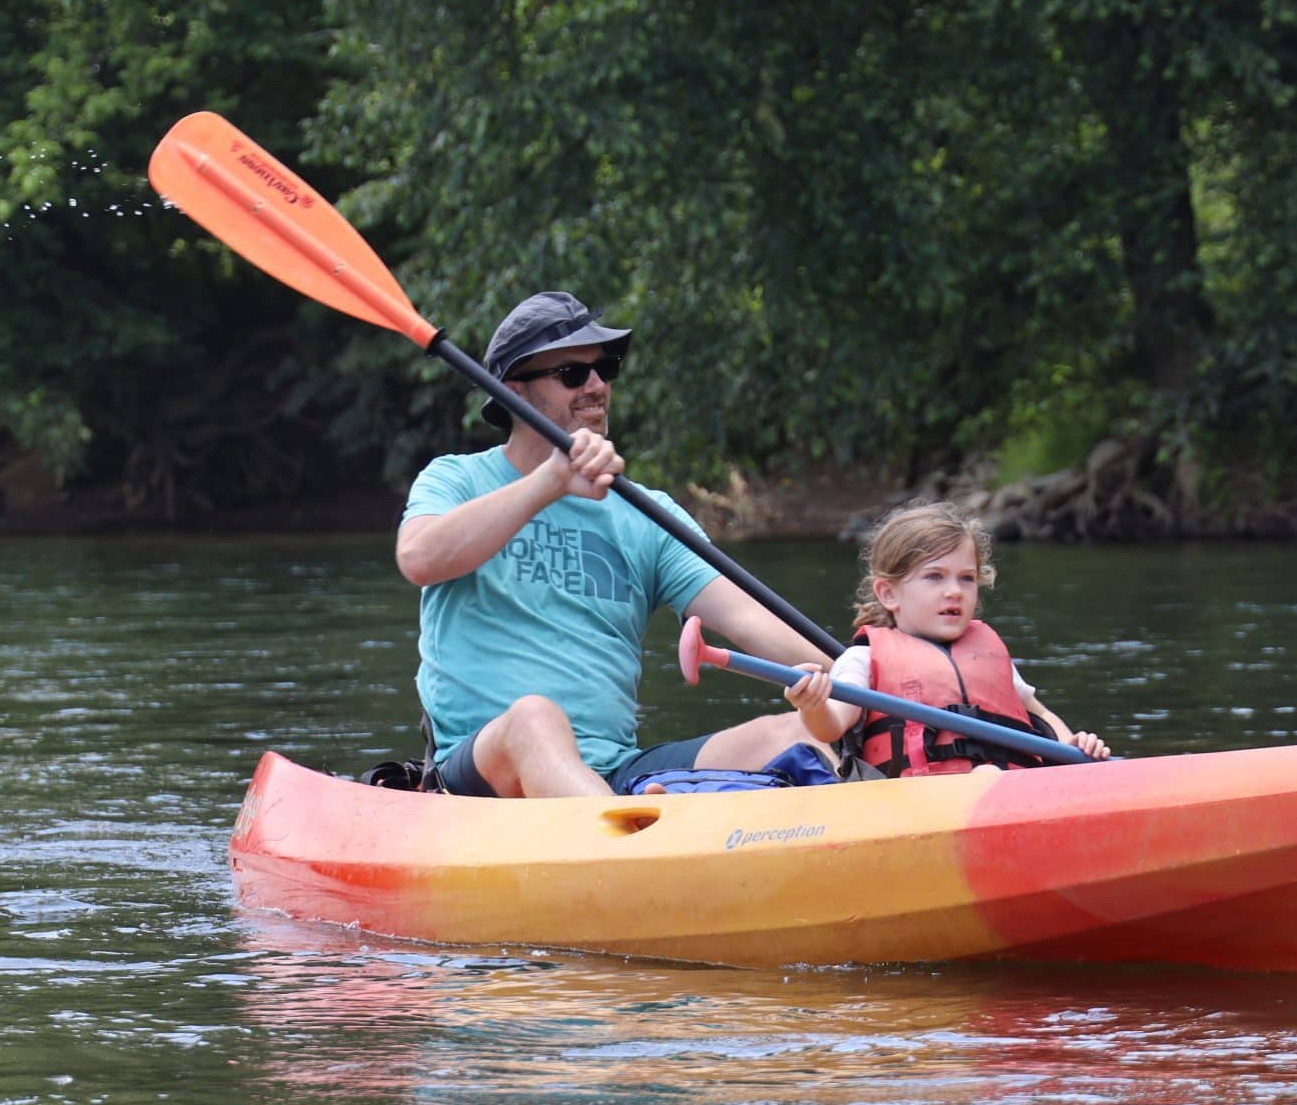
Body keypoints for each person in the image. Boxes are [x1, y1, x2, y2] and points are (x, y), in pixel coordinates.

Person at [395, 291, 826, 797]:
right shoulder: (457, 479)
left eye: (605, 368)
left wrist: (858, 672)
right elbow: (419, 558)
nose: (597, 385)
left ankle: (630, 819)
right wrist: (551, 482)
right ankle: (629, 830)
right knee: (534, 717)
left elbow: (750, 617)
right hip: (484, 771)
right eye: (572, 374)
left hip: (614, 771)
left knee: (797, 735)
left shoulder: (647, 513)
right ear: (514, 393)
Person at [784, 502, 1112, 775]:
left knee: (989, 776)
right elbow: (831, 726)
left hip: (1007, 793)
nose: (954, 591)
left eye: (966, 578)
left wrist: (1072, 745)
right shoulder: (863, 660)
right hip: (916, 804)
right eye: (934, 577)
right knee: (986, 776)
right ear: (888, 593)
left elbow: (1041, 716)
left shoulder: (987, 654)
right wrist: (812, 706)